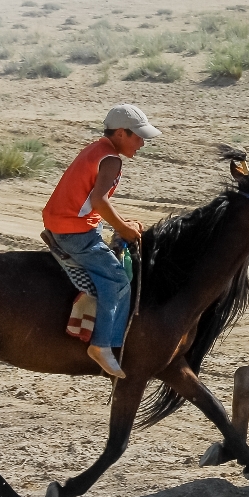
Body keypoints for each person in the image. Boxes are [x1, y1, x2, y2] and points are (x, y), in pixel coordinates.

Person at [42, 103, 160, 379]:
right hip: (75, 232)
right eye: (138, 136)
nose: (142, 143)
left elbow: (91, 201)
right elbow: (98, 200)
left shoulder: (96, 149)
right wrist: (123, 228)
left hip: (60, 223)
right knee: (118, 281)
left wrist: (123, 223)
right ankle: (102, 344)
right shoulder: (112, 160)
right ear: (121, 133)